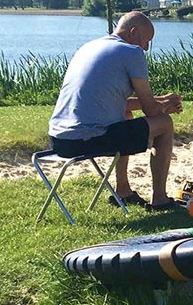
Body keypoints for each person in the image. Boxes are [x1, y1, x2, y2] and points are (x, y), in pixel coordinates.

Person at [47, 11, 182, 211]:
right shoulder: (131, 52)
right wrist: (165, 107)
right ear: (134, 32)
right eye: (147, 41)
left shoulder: (89, 47)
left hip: (59, 140)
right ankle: (160, 200)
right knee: (164, 123)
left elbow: (119, 103)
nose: (145, 48)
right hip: (87, 139)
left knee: (125, 116)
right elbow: (151, 112)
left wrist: (161, 100)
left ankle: (123, 191)